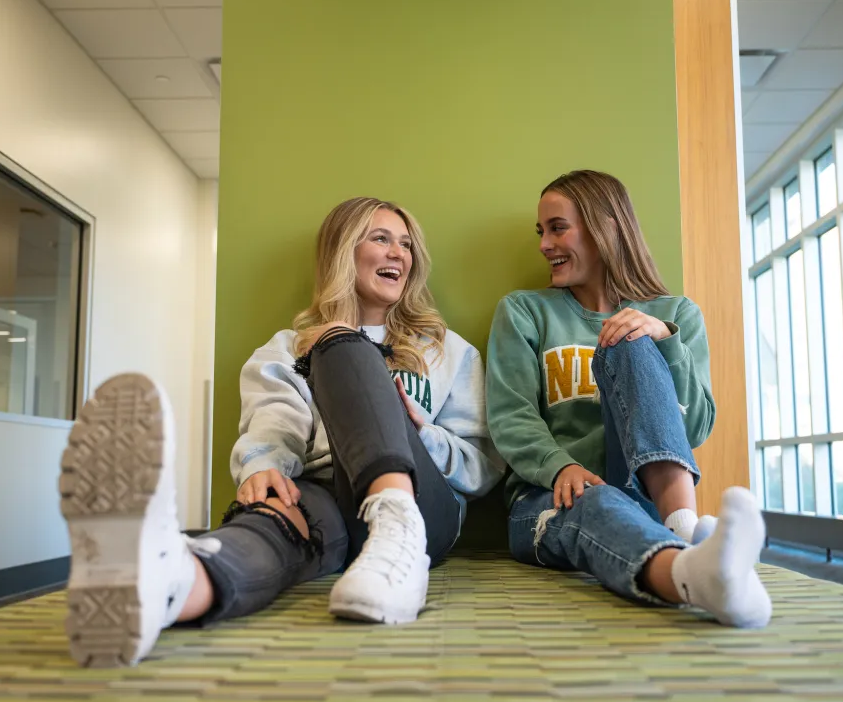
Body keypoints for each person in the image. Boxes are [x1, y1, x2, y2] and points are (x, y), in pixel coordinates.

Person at [59, 196, 503, 667]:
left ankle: (397, 530)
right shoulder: (289, 349)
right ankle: (174, 584)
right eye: (381, 238)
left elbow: (483, 466)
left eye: (407, 245)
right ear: (343, 251)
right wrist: (264, 466)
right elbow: (275, 421)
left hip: (421, 505)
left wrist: (422, 432)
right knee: (276, 521)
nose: (399, 254)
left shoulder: (446, 351)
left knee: (337, 341)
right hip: (326, 491)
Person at [486, 170, 771, 628]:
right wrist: (562, 467)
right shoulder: (524, 311)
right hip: (550, 500)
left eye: (558, 228)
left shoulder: (675, 314)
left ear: (606, 227)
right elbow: (510, 415)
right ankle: (693, 570)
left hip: (647, 500)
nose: (544, 244)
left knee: (630, 337)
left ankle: (682, 530)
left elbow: (694, 427)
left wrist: (664, 342)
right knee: (595, 503)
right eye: (542, 232)